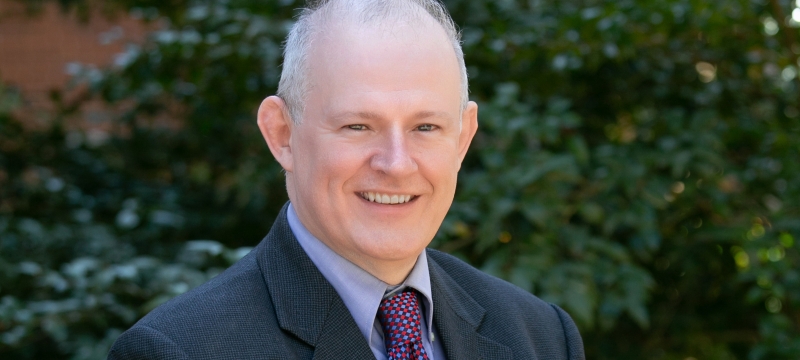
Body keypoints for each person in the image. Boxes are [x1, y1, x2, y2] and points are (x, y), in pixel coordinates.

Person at [107, 0, 585, 359]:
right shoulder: (180, 351)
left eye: (426, 127)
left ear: (462, 140)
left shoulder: (540, 336)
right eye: (358, 126)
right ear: (282, 135)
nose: (396, 164)